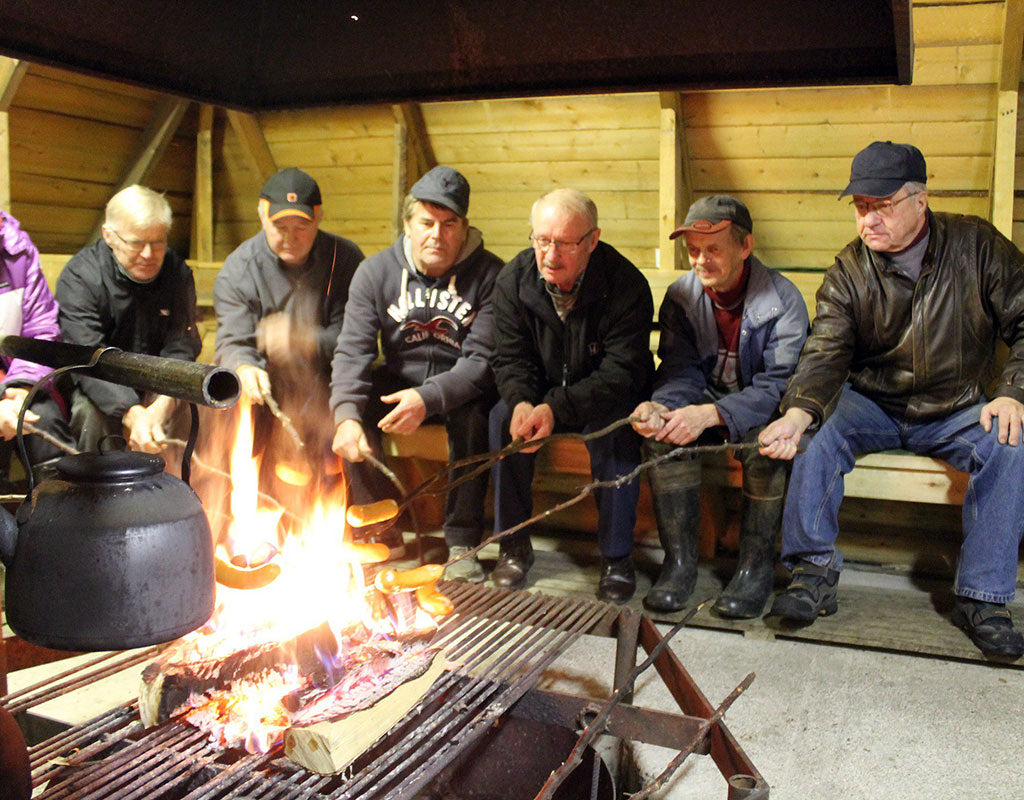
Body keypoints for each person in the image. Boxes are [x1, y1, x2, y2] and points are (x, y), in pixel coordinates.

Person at [759, 141, 1024, 658]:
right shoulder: (850, 269)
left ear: (920, 201)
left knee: (1011, 445)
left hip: (958, 404)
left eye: (882, 207)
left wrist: (1014, 392)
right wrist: (798, 411)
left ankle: (982, 599)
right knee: (812, 433)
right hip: (873, 402)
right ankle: (811, 575)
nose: (868, 221)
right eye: (860, 207)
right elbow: (826, 348)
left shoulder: (977, 246)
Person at [631, 195, 808, 617]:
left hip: (762, 408)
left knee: (765, 451)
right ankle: (679, 568)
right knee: (663, 439)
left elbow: (779, 383)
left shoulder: (783, 300)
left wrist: (713, 415)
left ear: (744, 247)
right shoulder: (681, 297)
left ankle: (754, 571)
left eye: (713, 249)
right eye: (693, 250)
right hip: (705, 400)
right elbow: (678, 368)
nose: (700, 260)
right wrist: (661, 407)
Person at [330, 166, 503, 578]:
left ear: (464, 228)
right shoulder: (375, 273)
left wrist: (426, 399)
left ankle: (461, 539)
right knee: (351, 406)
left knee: (477, 412)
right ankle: (381, 528)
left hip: (460, 385)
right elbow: (352, 349)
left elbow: (481, 363)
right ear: (407, 225)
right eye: (426, 223)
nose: (436, 235)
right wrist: (346, 417)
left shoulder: (493, 275)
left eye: (449, 224)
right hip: (400, 378)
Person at [489, 188, 654, 602]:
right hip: (541, 393)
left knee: (616, 430)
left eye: (564, 243)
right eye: (542, 240)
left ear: (593, 240)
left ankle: (616, 558)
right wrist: (523, 401)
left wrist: (555, 407)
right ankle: (512, 544)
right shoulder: (513, 280)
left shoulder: (625, 283)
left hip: (605, 395)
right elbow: (509, 357)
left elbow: (622, 371)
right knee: (499, 419)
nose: (550, 254)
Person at [214, 167, 363, 510]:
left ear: (319, 218)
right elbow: (232, 341)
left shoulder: (345, 259)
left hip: (331, 378)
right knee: (229, 402)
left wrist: (302, 339)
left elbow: (354, 341)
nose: (289, 238)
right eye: (279, 227)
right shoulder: (240, 269)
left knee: (357, 404)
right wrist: (244, 366)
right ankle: (239, 515)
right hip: (269, 386)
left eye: (302, 228)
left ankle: (367, 524)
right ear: (261, 215)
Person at [56, 185, 200, 454]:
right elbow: (86, 355)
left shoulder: (177, 274)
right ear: (109, 236)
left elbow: (181, 344)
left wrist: (164, 403)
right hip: (97, 384)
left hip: (159, 384)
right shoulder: (81, 277)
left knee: (196, 407)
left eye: (158, 242)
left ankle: (186, 491)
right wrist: (131, 411)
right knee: (89, 415)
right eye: (136, 243)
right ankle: (99, 493)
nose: (148, 254)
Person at [0, 210, 75, 482]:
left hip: (15, 376)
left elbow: (40, 326)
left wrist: (19, 388)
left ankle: (61, 510)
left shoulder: (17, 251)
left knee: (42, 419)